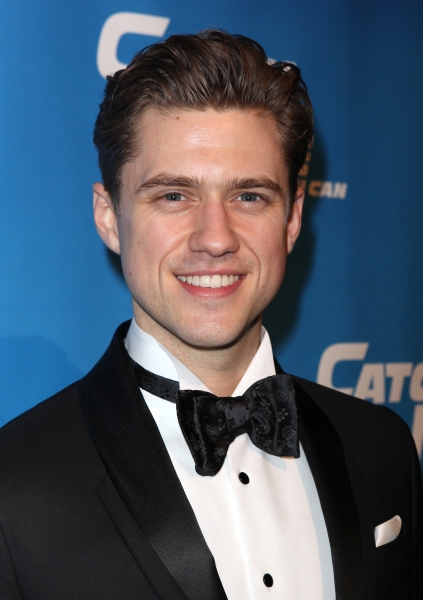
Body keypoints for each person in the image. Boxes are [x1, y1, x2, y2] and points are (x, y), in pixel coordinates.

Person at [0, 30, 422, 600]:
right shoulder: (15, 485)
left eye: (250, 196)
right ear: (108, 217)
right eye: (174, 196)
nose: (216, 239)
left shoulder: (381, 447)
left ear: (293, 218)